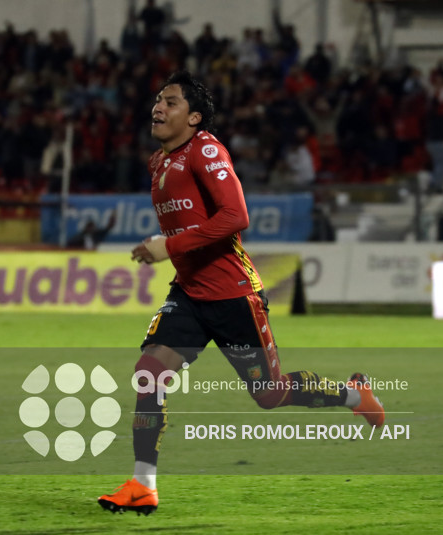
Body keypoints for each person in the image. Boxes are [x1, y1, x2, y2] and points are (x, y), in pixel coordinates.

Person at [98, 71, 385, 516]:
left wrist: (167, 246)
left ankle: (354, 395)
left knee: (269, 395)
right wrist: (170, 249)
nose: (158, 107)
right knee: (149, 371)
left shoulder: (206, 149)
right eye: (158, 99)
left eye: (170, 102)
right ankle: (142, 484)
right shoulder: (158, 161)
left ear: (193, 117)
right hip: (190, 293)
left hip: (233, 295)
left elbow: (236, 216)